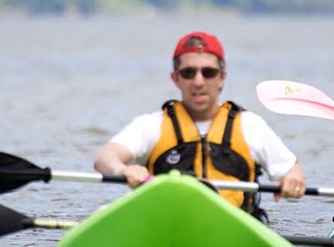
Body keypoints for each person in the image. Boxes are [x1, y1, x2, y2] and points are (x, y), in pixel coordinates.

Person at [94, 30, 307, 221]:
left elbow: (292, 170)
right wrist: (123, 169)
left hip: (234, 233)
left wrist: (293, 179)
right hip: (165, 229)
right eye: (188, 73)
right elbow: (105, 157)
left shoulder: (250, 126)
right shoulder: (151, 125)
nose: (198, 81)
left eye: (208, 72)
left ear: (222, 77)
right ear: (175, 78)